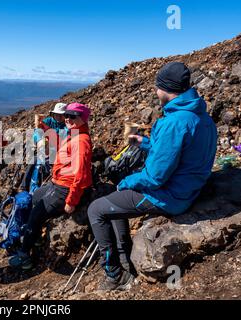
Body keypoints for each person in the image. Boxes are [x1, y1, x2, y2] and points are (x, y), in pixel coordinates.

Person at [87, 62, 218, 291]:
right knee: (114, 204)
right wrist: (145, 143)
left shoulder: (173, 122)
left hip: (170, 197)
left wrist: (125, 182)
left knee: (96, 210)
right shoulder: (201, 116)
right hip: (190, 188)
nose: (156, 92)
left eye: (158, 87)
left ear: (166, 88)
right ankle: (124, 255)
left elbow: (155, 177)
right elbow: (178, 153)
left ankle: (115, 275)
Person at [9, 103, 93, 270]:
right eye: (66, 115)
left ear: (83, 118)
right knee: (37, 195)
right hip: (58, 183)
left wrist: (72, 200)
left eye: (72, 116)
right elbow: (57, 141)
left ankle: (25, 256)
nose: (67, 119)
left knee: (35, 215)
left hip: (66, 189)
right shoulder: (74, 134)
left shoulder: (81, 141)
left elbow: (81, 174)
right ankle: (35, 234)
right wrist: (43, 126)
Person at [19, 103, 68, 192]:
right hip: (46, 150)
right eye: (57, 115)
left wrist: (47, 131)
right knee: (33, 161)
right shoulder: (49, 121)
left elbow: (62, 136)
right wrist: (40, 139)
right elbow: (37, 131)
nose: (59, 117)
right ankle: (24, 186)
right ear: (53, 114)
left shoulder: (67, 125)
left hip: (58, 152)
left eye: (61, 115)